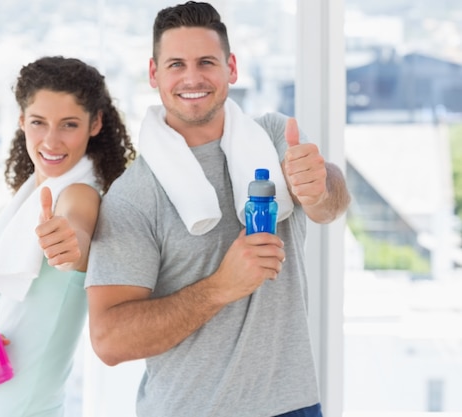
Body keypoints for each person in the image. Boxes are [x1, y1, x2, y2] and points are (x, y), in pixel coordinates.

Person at [85, 2, 351, 417]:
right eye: (176, 64)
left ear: (231, 68)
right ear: (154, 74)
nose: (192, 78)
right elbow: (109, 341)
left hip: (294, 406)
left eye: (206, 62)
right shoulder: (134, 196)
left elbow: (330, 206)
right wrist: (220, 287)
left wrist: (319, 187)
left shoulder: (276, 137)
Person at [0, 55, 135, 417]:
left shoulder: (78, 193)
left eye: (69, 124)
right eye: (38, 122)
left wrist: (69, 243)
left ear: (95, 123)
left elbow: (77, 233)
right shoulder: (31, 198)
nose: (51, 140)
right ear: (22, 121)